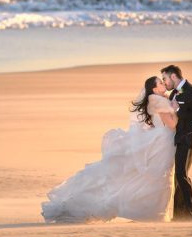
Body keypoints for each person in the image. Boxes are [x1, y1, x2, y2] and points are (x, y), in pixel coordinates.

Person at [41, 76, 177, 223]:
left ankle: (153, 212)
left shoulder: (158, 99)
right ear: (155, 89)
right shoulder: (158, 100)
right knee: (157, 176)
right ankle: (152, 213)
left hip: (159, 141)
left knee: (153, 177)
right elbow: (172, 124)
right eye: (161, 83)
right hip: (160, 141)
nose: (164, 84)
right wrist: (177, 111)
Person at [161, 64, 192, 222]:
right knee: (179, 176)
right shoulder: (174, 93)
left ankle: (191, 214)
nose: (164, 82)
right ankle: (179, 216)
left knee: (181, 174)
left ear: (173, 76)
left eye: (165, 78)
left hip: (190, 137)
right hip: (179, 137)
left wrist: (179, 110)